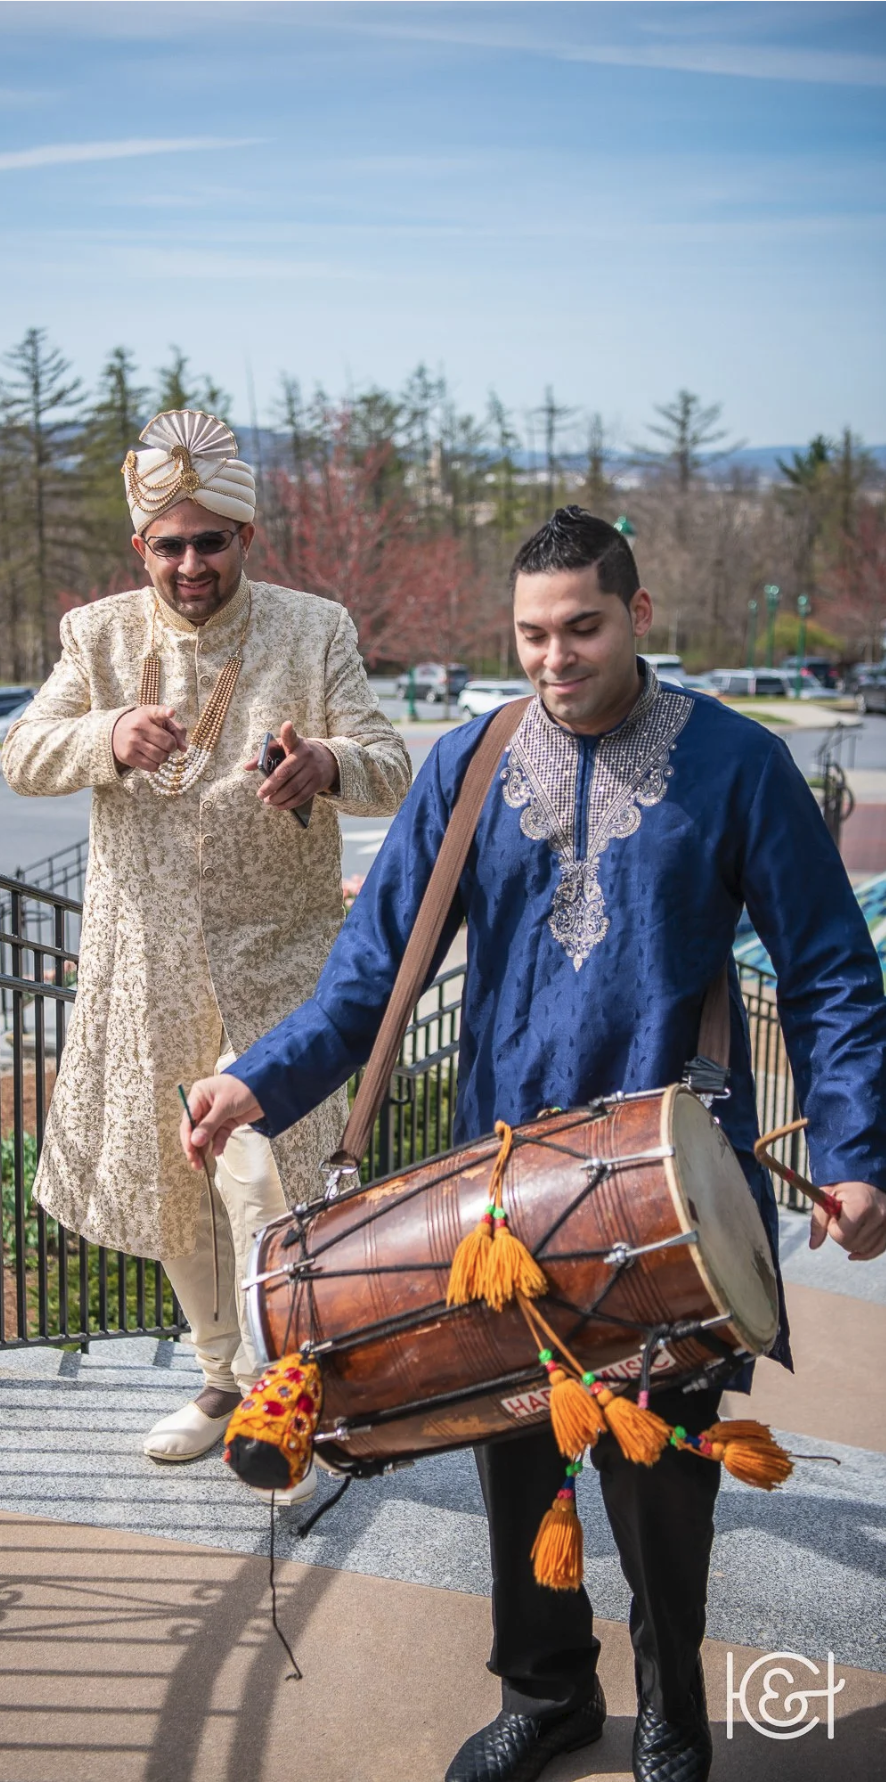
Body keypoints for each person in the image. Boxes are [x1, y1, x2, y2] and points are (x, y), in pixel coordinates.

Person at [181, 506, 886, 1781]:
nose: (554, 658)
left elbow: (831, 971)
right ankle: (546, 1693)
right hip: (493, 1197)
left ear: (638, 619)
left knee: (660, 1477)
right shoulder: (468, 764)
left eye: (582, 628)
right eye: (529, 635)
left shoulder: (736, 764)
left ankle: (674, 1712)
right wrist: (255, 1082)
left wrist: (855, 1150)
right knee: (511, 1445)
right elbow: (368, 976)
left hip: (668, 1187)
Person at [2, 408, 410, 1500]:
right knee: (177, 1183)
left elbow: (392, 766)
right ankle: (220, 1383)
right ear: (142, 550)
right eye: (169, 545)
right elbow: (21, 754)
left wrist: (323, 763)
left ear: (245, 537)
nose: (192, 564)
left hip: (280, 960)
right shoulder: (96, 638)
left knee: (263, 1178)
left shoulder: (311, 628)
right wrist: (105, 739)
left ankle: (293, 1385)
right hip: (146, 967)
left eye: (211, 540)